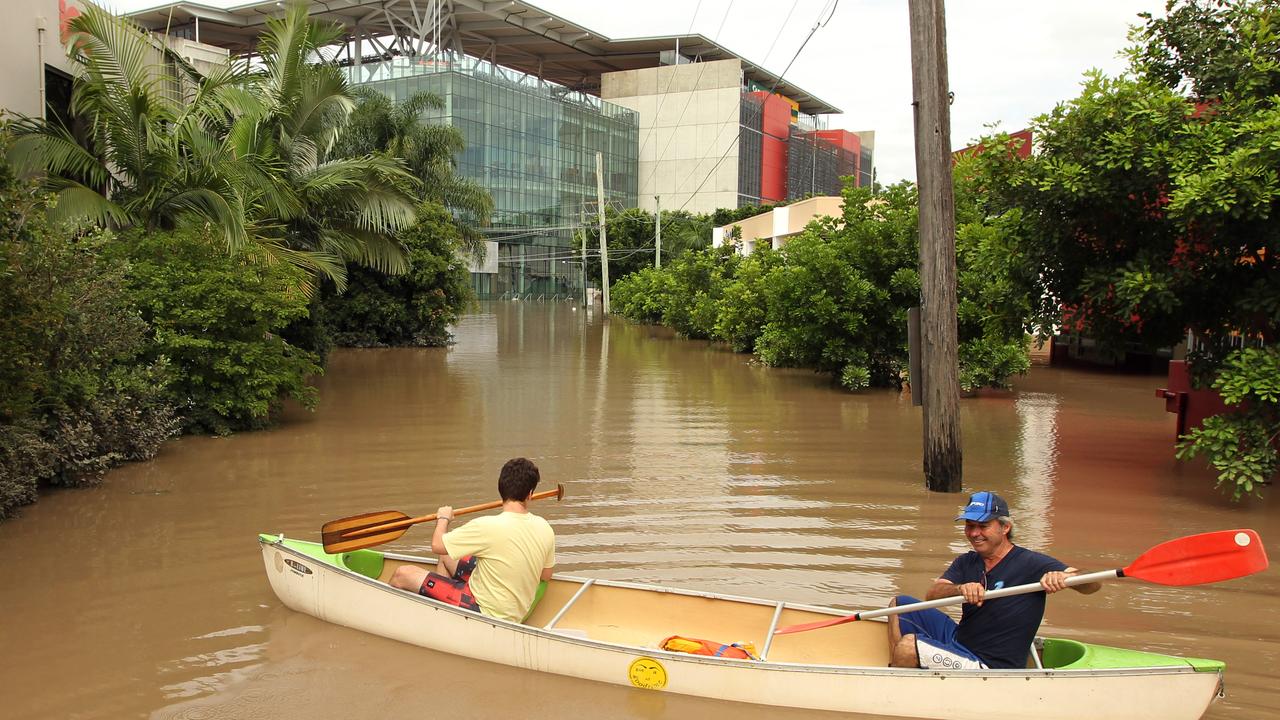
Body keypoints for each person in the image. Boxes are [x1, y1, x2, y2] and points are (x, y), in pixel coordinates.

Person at [886, 491, 1101, 669]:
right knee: (898, 605)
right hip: (959, 641)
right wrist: (961, 589)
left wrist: (1066, 577)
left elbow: (1093, 584)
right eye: (970, 526)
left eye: (983, 526)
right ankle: (900, 669)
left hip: (988, 664)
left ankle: (899, 682)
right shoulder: (967, 561)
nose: (974, 533)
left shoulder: (1031, 562)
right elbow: (933, 594)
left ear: (1005, 527)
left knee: (907, 646)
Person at [389, 457, 556, 623]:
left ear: (501, 488)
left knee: (402, 574)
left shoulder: (486, 526)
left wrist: (443, 519)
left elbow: (437, 545)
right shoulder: (545, 528)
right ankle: (444, 615)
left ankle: (413, 618)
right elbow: (546, 575)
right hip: (516, 611)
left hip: (484, 610)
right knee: (448, 554)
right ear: (530, 494)